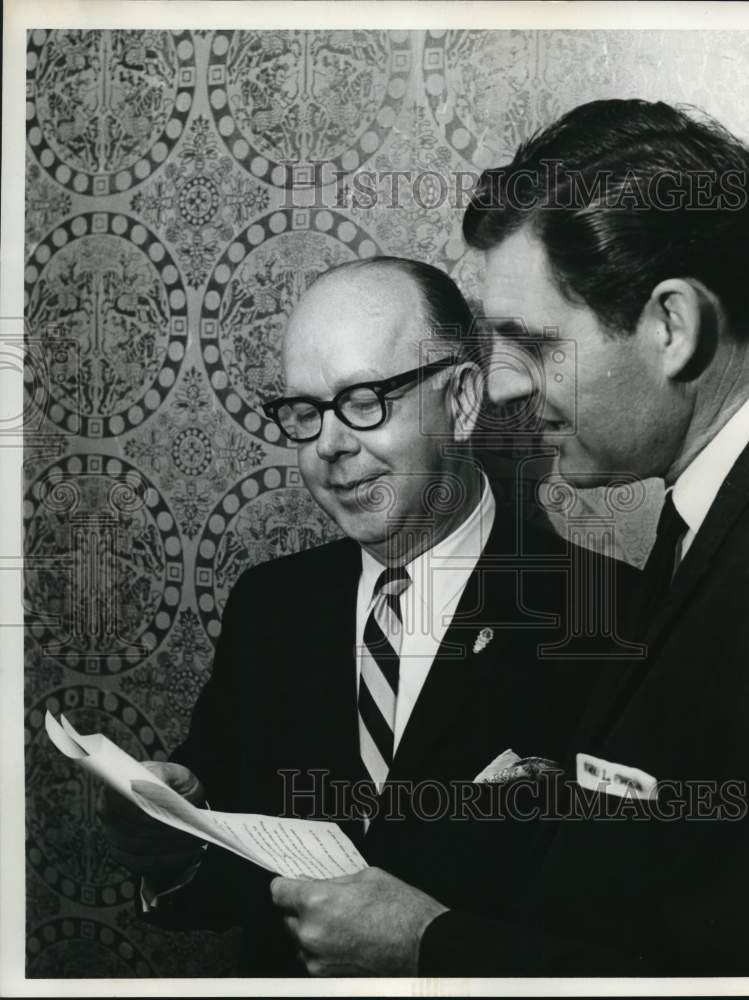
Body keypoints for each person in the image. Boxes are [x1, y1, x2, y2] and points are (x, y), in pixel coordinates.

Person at [270, 99, 749, 977]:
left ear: (671, 326)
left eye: (536, 344)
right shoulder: (704, 526)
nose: (501, 388)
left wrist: (430, 943)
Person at [101, 256, 637, 975]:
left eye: (363, 400)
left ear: (462, 400)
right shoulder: (272, 605)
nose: (329, 445)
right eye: (305, 411)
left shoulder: (610, 618)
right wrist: (172, 846)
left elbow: (633, 944)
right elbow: (228, 888)